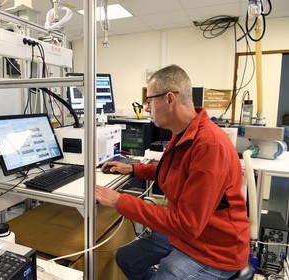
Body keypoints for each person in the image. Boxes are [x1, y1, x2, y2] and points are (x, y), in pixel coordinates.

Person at [96, 65, 250, 279]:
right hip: (189, 236)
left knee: (167, 272)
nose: (147, 108)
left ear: (169, 99)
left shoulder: (209, 146)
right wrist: (134, 169)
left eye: (149, 101)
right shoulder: (183, 133)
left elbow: (187, 225)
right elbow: (174, 170)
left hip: (214, 249)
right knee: (127, 258)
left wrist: (120, 201)